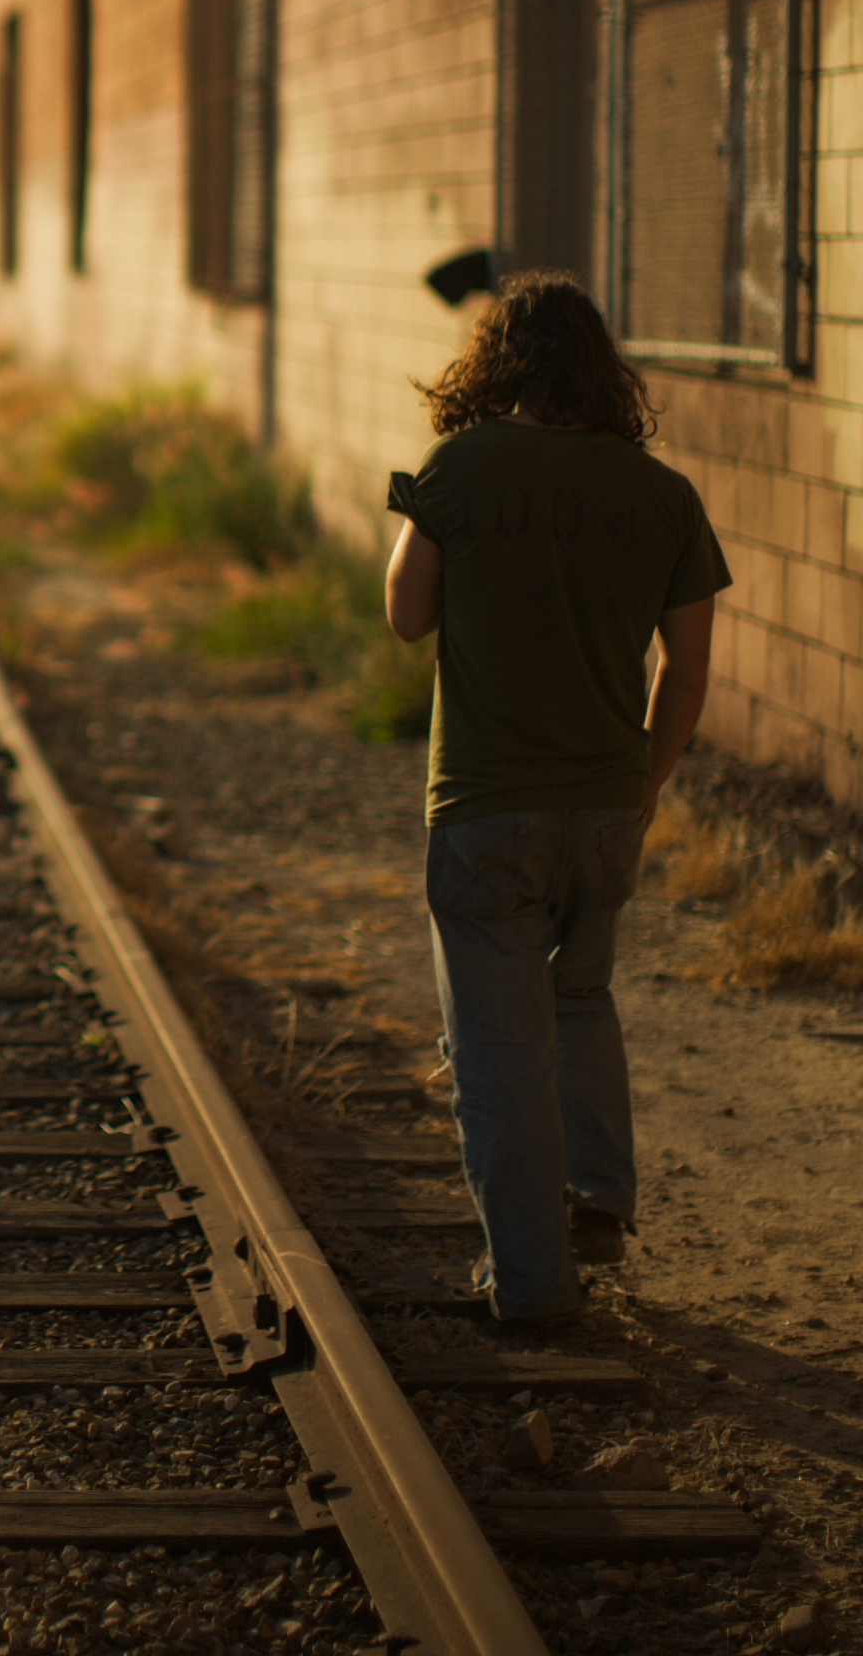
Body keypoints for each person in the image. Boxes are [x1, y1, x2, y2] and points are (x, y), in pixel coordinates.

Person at [383, 271, 731, 1324]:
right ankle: (595, 1197)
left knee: (495, 1048)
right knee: (579, 998)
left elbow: (404, 614)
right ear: (600, 367)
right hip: (604, 807)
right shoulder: (660, 493)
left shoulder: (460, 464)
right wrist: (643, 780)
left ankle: (531, 1285)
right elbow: (684, 668)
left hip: (486, 803)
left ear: (496, 362)